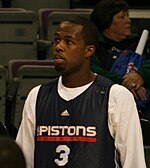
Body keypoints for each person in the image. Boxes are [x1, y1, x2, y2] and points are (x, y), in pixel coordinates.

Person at [16, 16, 146, 167]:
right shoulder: (37, 96)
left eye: (68, 42)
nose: (58, 47)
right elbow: (23, 161)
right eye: (57, 40)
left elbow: (134, 163)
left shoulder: (117, 96)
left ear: (88, 51)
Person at [90, 0, 150, 120]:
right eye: (122, 17)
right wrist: (125, 82)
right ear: (107, 23)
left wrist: (141, 76)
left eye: (127, 16)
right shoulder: (94, 46)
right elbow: (92, 71)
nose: (129, 20)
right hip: (104, 107)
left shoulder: (141, 43)